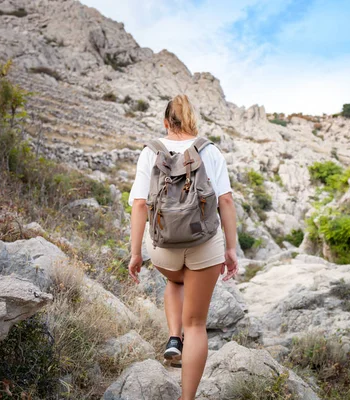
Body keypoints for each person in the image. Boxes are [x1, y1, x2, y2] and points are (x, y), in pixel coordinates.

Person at [127, 94, 238, 400]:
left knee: (176, 278)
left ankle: (174, 337)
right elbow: (226, 201)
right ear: (192, 121)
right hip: (204, 243)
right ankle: (186, 398)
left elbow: (139, 205)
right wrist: (231, 249)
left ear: (166, 122)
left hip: (163, 245)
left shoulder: (151, 152)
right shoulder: (209, 150)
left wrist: (136, 252)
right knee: (198, 324)